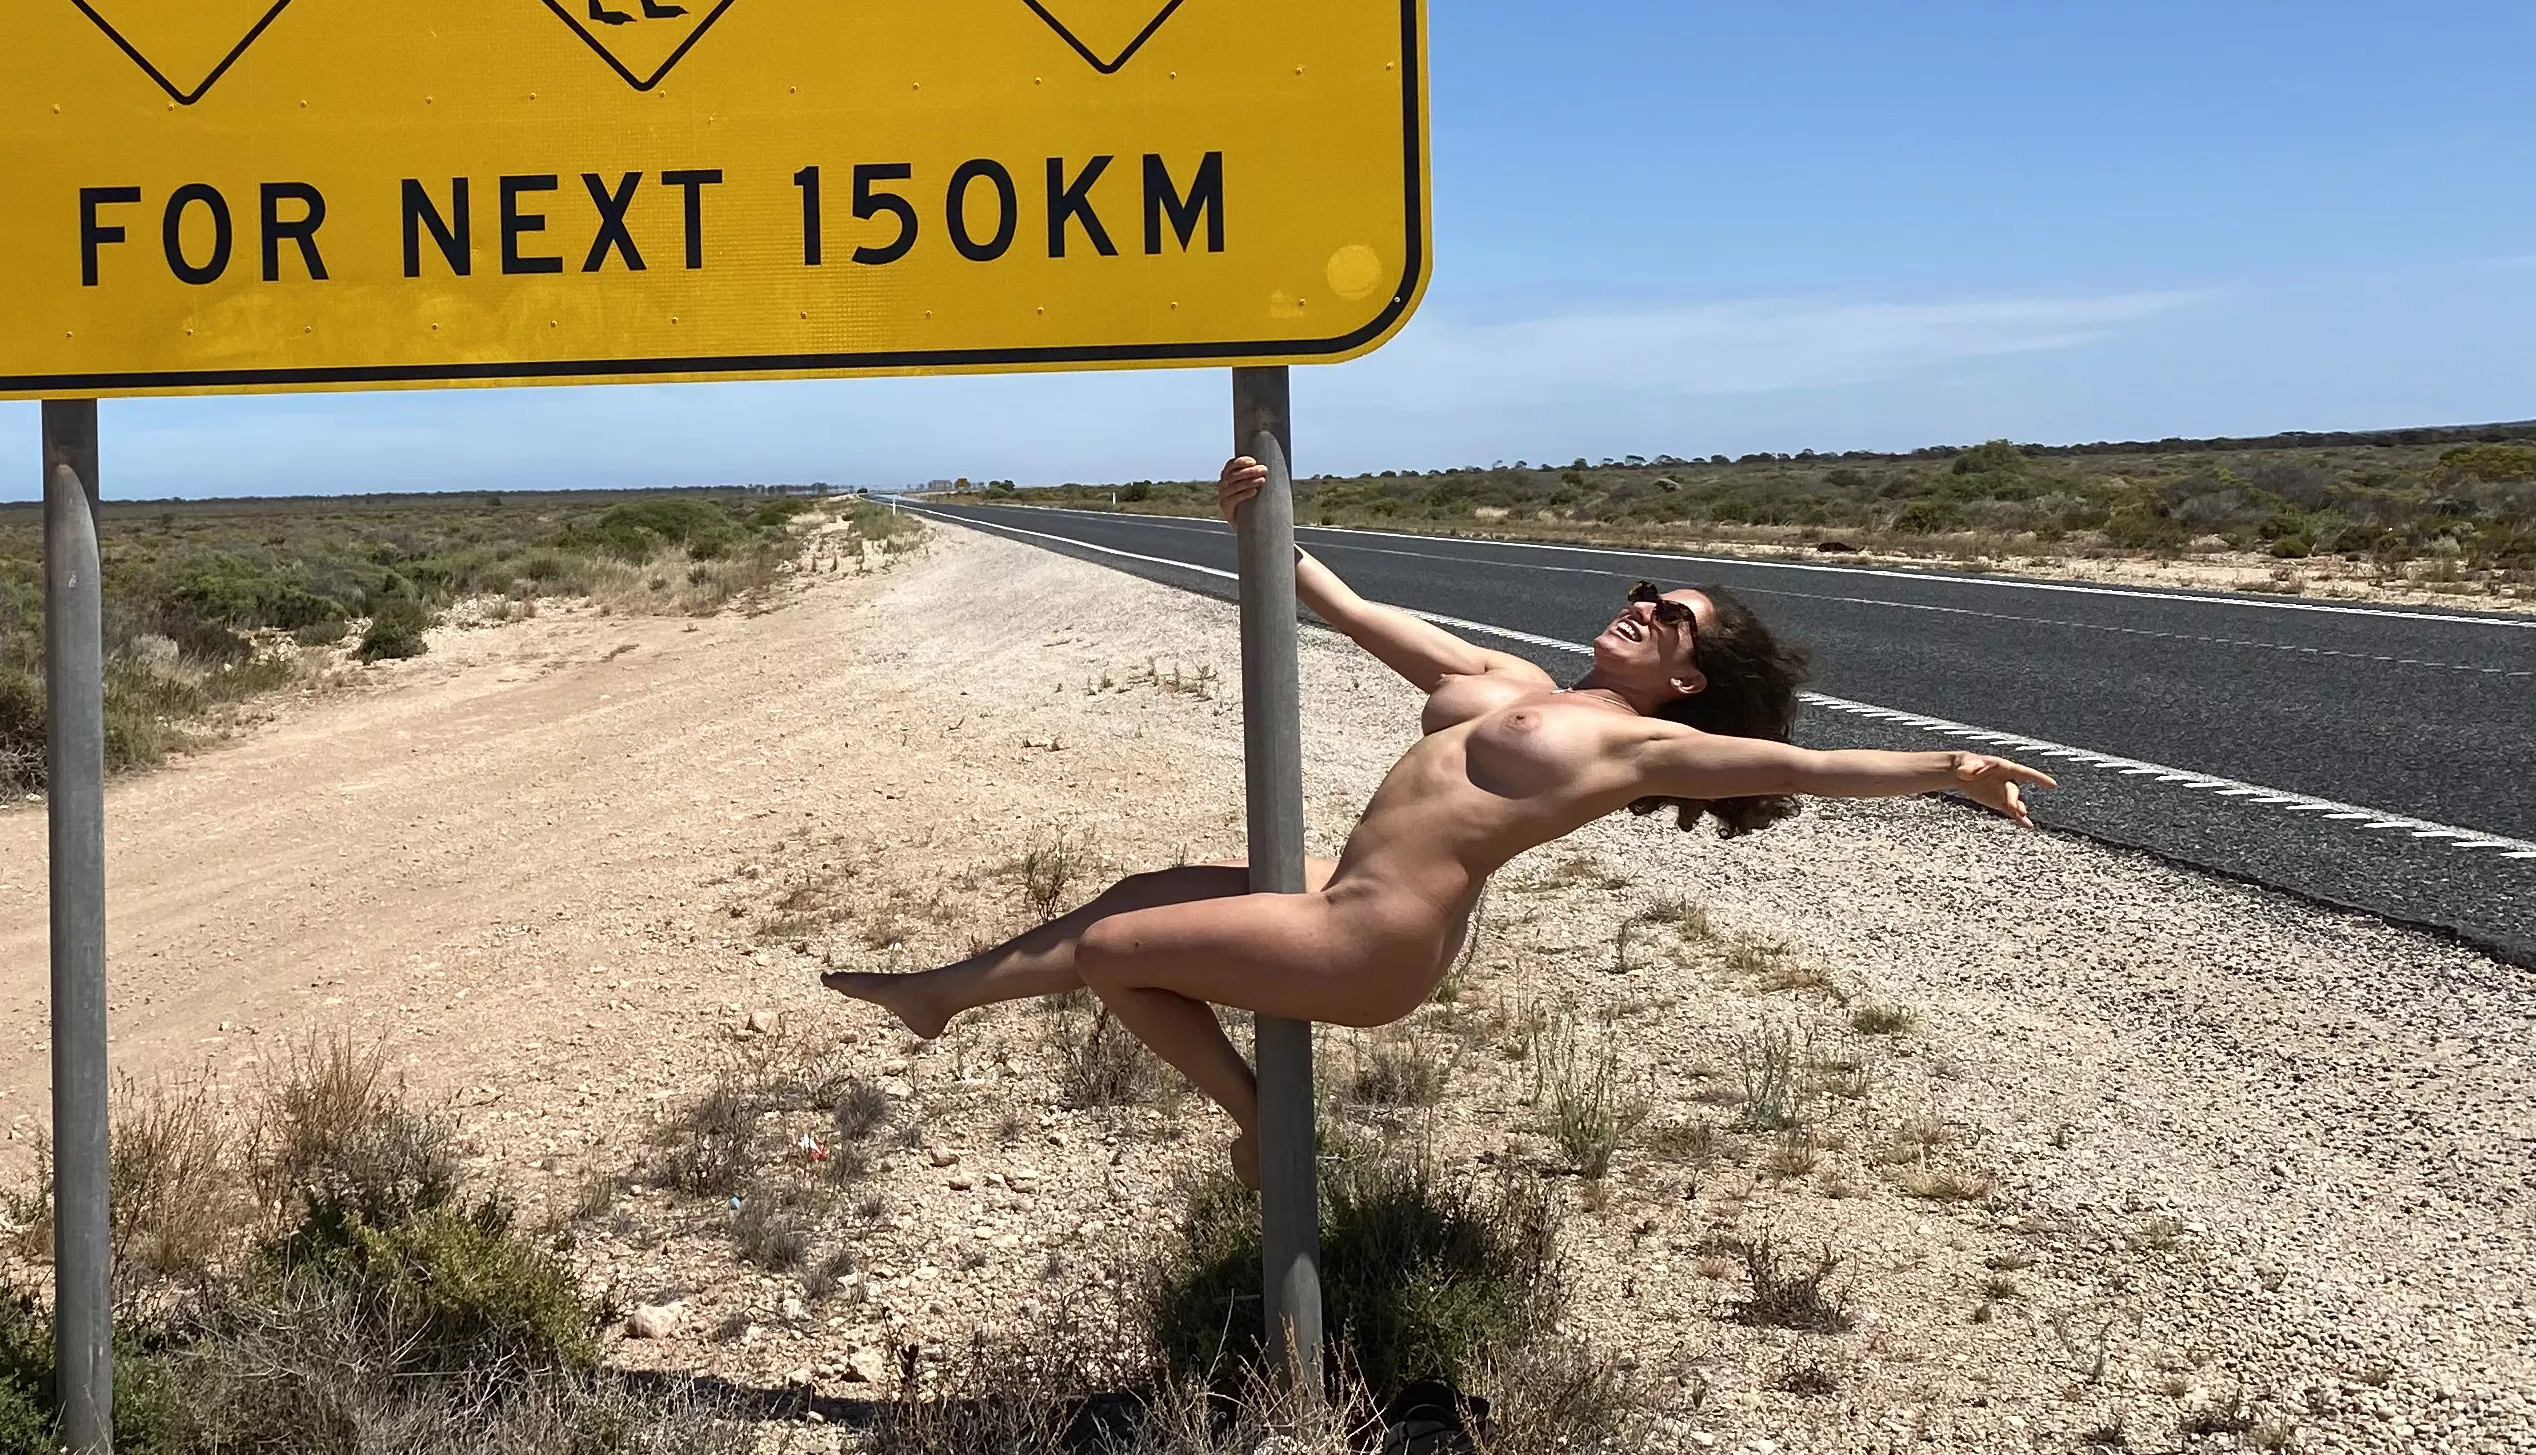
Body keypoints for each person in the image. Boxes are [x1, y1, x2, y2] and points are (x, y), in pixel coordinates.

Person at [824, 455, 2055, 1182]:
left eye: (1669, 618)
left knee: (1110, 956)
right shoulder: (1508, 683)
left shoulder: (1643, 744)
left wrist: (1948, 764)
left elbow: (1805, 769)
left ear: (1686, 676)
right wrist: (1258, 520)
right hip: (1345, 888)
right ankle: (946, 993)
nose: (1641, 609)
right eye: (1642, 593)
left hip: (1374, 943)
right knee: (1142, 896)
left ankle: (1262, 1132)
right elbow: (1348, 609)